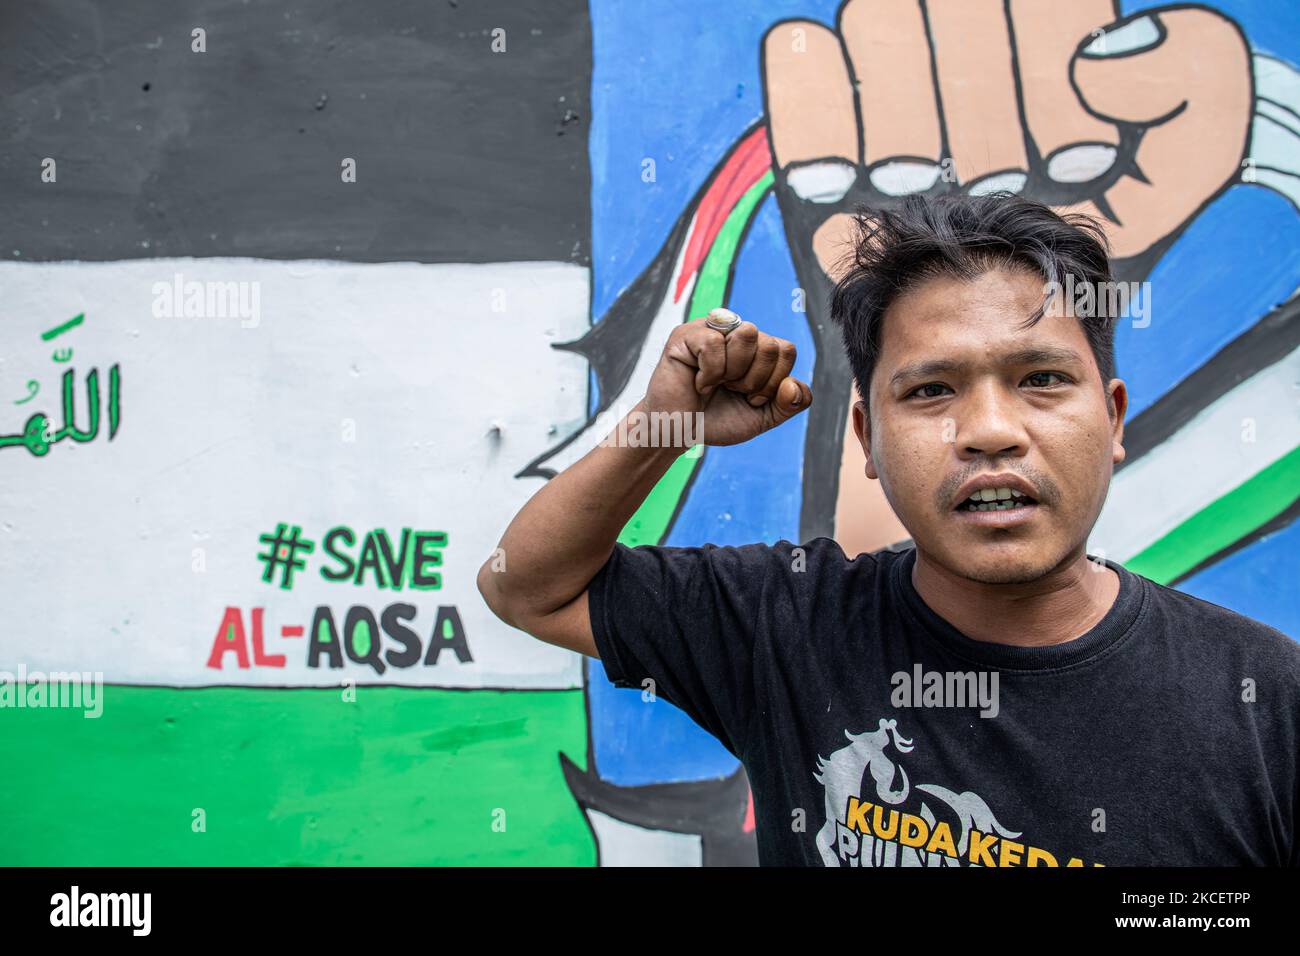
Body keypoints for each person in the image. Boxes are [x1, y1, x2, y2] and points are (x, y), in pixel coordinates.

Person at [478, 193, 1299, 867]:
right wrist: (661, 427)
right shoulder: (786, 624)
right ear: (868, 440)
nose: (989, 430)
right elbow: (526, 586)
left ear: (1112, 418)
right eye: (933, 391)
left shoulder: (1265, 702)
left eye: (1041, 379)